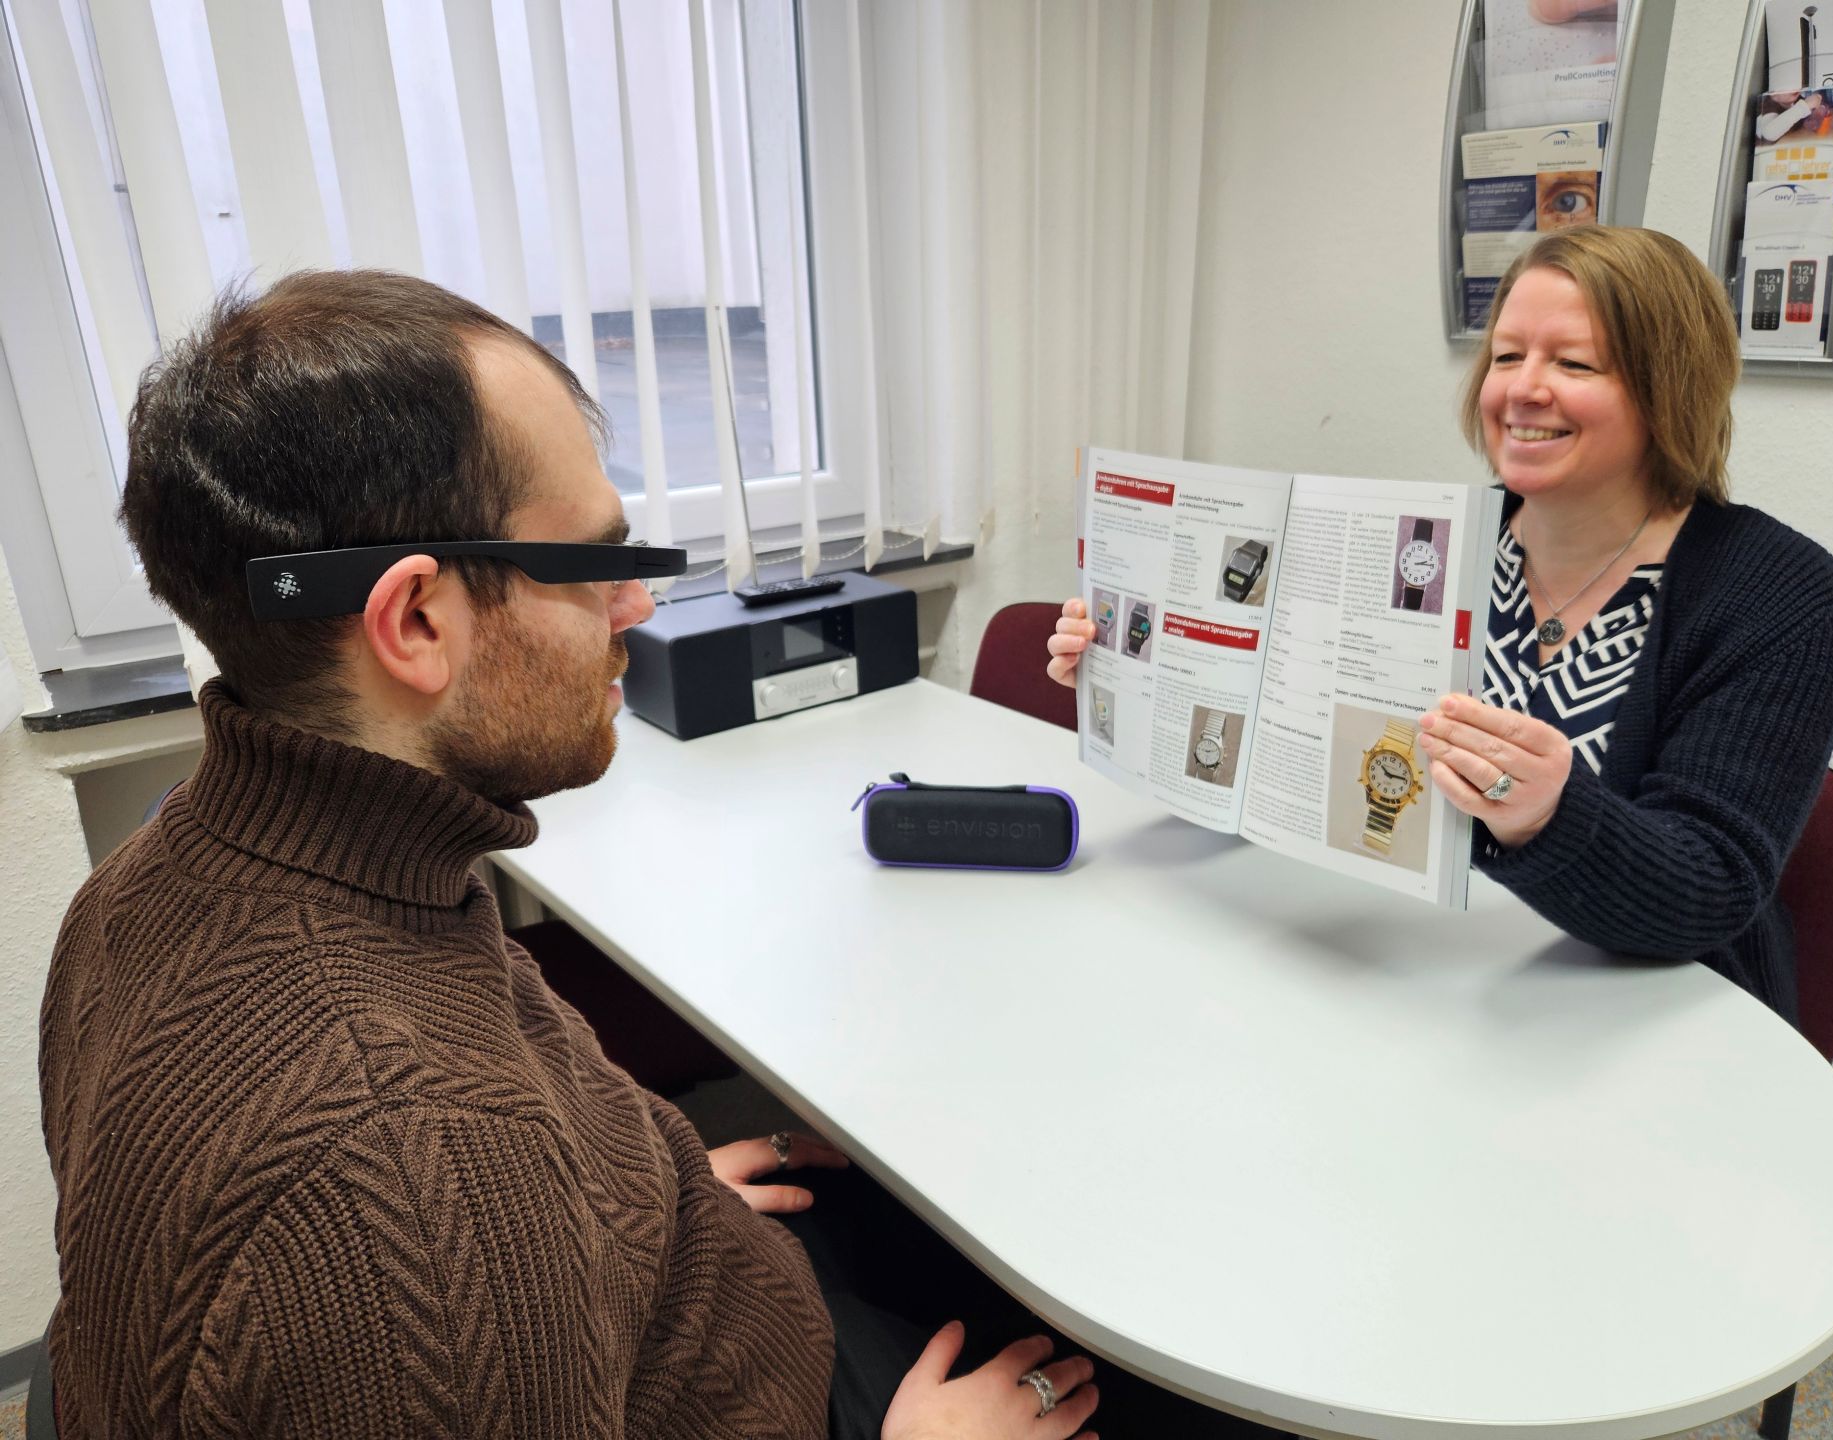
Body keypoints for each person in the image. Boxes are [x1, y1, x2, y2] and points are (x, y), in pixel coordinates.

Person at [42, 271, 1100, 1439]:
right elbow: (421, 1207)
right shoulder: (411, 1182)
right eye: (597, 564)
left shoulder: (144, 887)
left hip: (657, 1292)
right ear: (416, 621)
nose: (636, 606)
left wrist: (620, 1193)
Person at [1047, 227, 1833, 1024]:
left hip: (1653, 1019)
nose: (1522, 390)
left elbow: (1710, 889)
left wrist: (1546, 815)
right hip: (1415, 982)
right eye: (1506, 357)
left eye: (1573, 363)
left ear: (1669, 387)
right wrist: (1151, 677)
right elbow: (1290, 788)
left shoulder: (1778, 593)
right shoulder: (1425, 547)